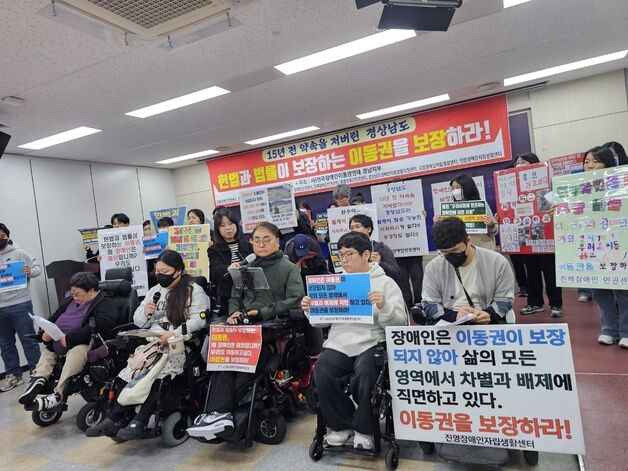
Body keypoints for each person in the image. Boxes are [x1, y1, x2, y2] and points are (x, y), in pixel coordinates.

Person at [188, 222, 304, 438]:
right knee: (222, 360)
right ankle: (217, 414)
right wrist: (233, 312)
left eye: (267, 239)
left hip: (270, 332)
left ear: (277, 242)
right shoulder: (245, 267)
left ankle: (221, 411)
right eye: (256, 240)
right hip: (242, 328)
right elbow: (235, 297)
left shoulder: (288, 268)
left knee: (246, 362)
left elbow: (295, 298)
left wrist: (263, 312)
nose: (261, 244)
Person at [86, 250, 209, 440]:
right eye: (157, 271)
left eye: (165, 271)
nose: (160, 275)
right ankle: (116, 416)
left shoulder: (193, 290)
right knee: (131, 371)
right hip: (152, 344)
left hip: (177, 344)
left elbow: (198, 321)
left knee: (157, 375)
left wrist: (174, 334)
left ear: (178, 271)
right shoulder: (155, 291)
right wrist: (146, 312)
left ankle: (140, 420)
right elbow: (138, 321)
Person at [301, 232, 407, 450]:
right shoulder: (335, 282)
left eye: (350, 254)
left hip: (372, 341)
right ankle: (341, 425)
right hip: (339, 342)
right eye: (341, 255)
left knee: (366, 374)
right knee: (322, 372)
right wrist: (311, 310)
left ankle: (364, 429)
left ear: (366, 254)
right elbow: (321, 323)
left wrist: (384, 307)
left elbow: (400, 323)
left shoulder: (385, 283)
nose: (344, 260)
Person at [18, 272, 118, 409]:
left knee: (76, 352)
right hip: (61, 341)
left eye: (77, 294)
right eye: (72, 293)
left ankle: (59, 393)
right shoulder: (70, 300)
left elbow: (102, 324)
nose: (74, 297)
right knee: (49, 352)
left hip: (88, 343)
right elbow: (54, 318)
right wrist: (44, 333)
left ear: (91, 291)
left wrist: (70, 338)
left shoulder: (105, 303)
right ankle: (38, 380)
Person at [422, 217, 514, 325]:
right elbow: (429, 303)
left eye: (455, 250)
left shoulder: (497, 262)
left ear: (468, 240)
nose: (451, 256)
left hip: (486, 321)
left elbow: (505, 299)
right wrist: (454, 316)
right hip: (449, 323)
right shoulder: (434, 267)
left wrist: (489, 314)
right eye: (445, 252)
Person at [580, 146, 627, 348]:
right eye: (586, 162)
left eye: (595, 161)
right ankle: (608, 329)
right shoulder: (579, 188)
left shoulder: (621, 185)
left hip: (618, 243)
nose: (590, 165)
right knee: (599, 290)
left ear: (607, 163)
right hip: (592, 245)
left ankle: (625, 331)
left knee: (622, 290)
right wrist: (560, 210)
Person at [512, 153, 564, 318]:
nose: (519, 165)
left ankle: (556, 304)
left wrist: (555, 208)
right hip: (525, 236)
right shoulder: (514, 189)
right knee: (531, 273)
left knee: (550, 273)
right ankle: (534, 303)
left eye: (523, 162)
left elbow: (557, 205)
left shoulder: (547, 185)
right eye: (517, 163)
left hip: (546, 236)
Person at [0, 224, 42, 392]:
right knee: (5, 344)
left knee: (29, 341)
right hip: (0, 307)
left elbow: (37, 269)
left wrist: (29, 271)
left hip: (20, 303)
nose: (0, 239)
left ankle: (37, 373)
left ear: (7, 236)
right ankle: (14, 375)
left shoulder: (19, 253)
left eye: (2, 235)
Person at [208, 209, 253, 318]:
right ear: (217, 229)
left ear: (236, 225)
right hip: (227, 294)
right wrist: (229, 267)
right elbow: (216, 270)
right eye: (222, 225)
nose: (228, 228)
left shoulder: (247, 245)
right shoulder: (214, 249)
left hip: (250, 293)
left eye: (230, 223)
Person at [433, 174, 498, 250]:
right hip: (460, 251)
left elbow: (495, 231)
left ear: (467, 187)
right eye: (453, 188)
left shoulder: (481, 206)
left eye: (458, 187)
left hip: (482, 250)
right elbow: (446, 235)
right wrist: (438, 224)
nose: (455, 191)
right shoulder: (450, 210)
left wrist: (491, 225)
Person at [348, 214, 401, 285]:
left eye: (357, 227)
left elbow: (396, 274)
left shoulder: (381, 248)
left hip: (378, 287)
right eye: (351, 228)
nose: (354, 230)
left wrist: (380, 263)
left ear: (369, 229)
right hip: (355, 286)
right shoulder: (346, 250)